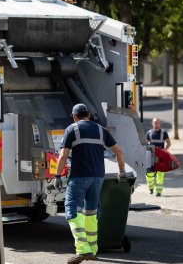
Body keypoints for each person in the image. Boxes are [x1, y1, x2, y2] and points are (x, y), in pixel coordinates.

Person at [54, 103, 126, 264]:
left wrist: (57, 175)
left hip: (79, 176)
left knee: (72, 210)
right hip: (98, 177)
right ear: (89, 115)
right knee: (91, 212)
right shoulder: (101, 130)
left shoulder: (72, 129)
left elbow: (63, 155)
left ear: (74, 117)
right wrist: (121, 172)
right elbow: (119, 152)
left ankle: (83, 250)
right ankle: (93, 250)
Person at [145, 118, 171, 197]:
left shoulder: (164, 133)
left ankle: (159, 191)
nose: (156, 124)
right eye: (155, 123)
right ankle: (151, 188)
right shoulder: (149, 133)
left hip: (160, 158)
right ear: (152, 124)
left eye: (158, 123)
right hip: (151, 157)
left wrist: (164, 151)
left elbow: (168, 143)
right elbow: (145, 144)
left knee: (160, 175)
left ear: (160, 124)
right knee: (149, 174)